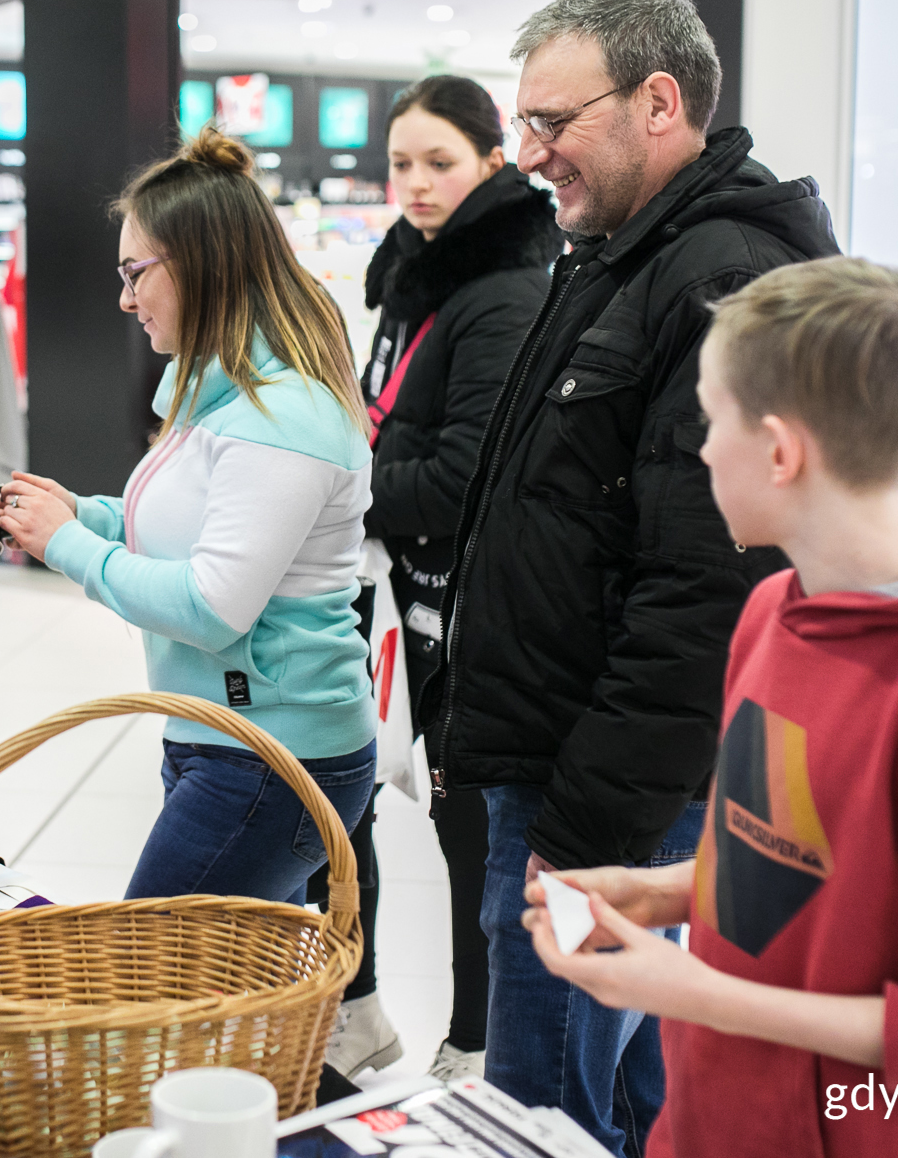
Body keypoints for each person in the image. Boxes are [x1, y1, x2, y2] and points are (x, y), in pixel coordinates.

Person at [526, 257, 898, 1157]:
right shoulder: (773, 610)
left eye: (709, 421)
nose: (701, 450)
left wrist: (696, 993)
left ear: (780, 452)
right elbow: (795, 864)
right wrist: (663, 891)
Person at [433, 0, 841, 1153]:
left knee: (545, 1113)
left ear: (659, 103)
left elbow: (709, 590)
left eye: (552, 122)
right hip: (578, 771)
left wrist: (585, 828)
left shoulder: (715, 278)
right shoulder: (620, 253)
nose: (529, 155)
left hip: (602, 797)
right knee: (619, 1099)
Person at [0, 125, 376, 905]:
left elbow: (211, 605)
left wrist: (67, 545)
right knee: (225, 979)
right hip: (227, 739)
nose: (125, 299)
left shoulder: (282, 415)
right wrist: (86, 515)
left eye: (135, 273)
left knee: (147, 964)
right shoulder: (222, 394)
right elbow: (192, 527)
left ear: (202, 264)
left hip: (274, 755)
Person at [323, 75, 563, 1083]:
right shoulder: (413, 271)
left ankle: (472, 1045)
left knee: (468, 830)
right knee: (358, 800)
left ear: (492, 161)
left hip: (465, 609)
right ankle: (361, 1010)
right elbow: (383, 417)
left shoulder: (501, 287)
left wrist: (343, 488)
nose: (416, 183)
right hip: (397, 593)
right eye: (400, 164)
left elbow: (467, 476)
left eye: (439, 162)